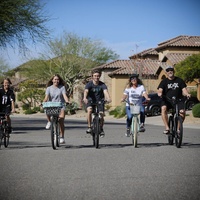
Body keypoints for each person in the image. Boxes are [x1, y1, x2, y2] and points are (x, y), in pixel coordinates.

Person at [157, 66, 191, 134]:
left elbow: (184, 89)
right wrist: (160, 93)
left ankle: (178, 129)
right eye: (168, 70)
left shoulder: (179, 80)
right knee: (163, 108)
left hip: (178, 100)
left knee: (182, 112)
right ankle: (167, 128)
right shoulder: (164, 81)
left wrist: (187, 94)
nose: (170, 71)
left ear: (173, 71)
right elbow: (160, 89)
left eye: (171, 70)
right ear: (166, 72)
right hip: (167, 100)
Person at [83, 69, 111, 137]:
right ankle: (89, 127)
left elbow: (105, 92)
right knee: (89, 111)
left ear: (100, 76)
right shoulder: (89, 84)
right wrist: (85, 98)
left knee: (101, 114)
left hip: (100, 101)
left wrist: (108, 98)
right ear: (92, 76)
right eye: (95, 76)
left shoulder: (102, 84)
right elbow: (86, 91)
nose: (96, 77)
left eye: (98, 76)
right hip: (90, 101)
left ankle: (101, 128)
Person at [43, 74, 70, 144]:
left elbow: (64, 96)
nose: (56, 81)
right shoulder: (49, 88)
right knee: (46, 109)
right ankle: (49, 121)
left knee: (61, 120)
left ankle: (62, 137)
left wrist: (67, 101)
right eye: (55, 79)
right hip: (52, 105)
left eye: (58, 79)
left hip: (60, 105)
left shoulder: (62, 87)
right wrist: (43, 102)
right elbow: (46, 97)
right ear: (52, 80)